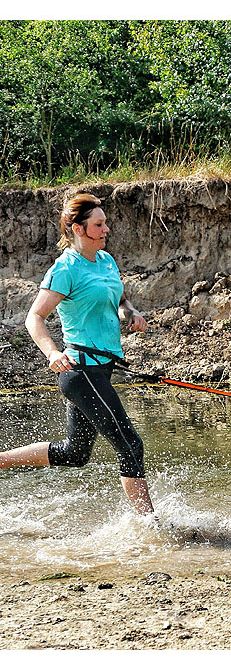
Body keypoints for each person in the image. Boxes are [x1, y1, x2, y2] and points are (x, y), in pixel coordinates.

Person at [0, 192, 155, 515]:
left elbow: (119, 299)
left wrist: (130, 313)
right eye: (99, 225)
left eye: (105, 223)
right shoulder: (65, 269)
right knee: (130, 444)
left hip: (103, 368)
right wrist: (52, 353)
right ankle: (150, 527)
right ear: (78, 229)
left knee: (75, 453)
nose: (106, 229)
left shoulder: (106, 260)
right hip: (79, 371)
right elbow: (35, 317)